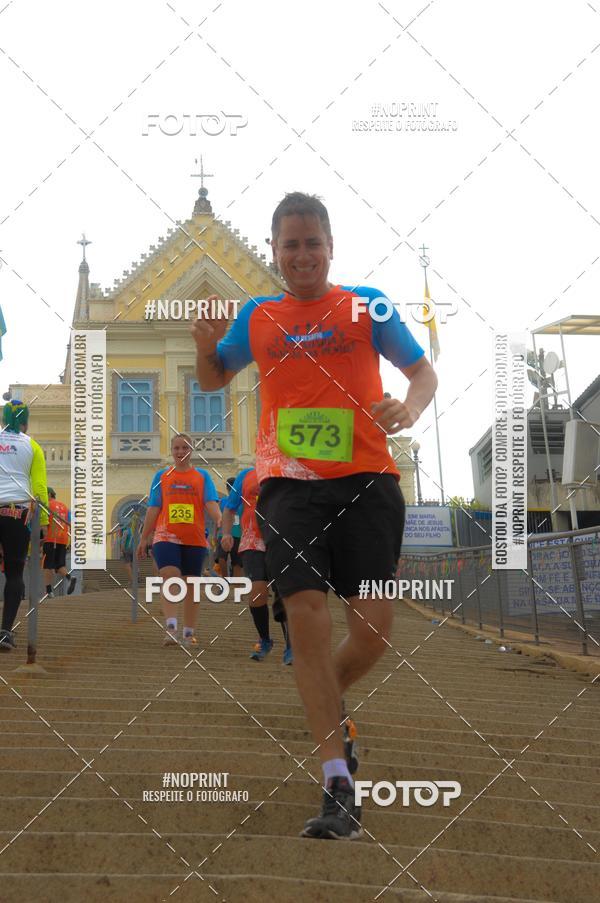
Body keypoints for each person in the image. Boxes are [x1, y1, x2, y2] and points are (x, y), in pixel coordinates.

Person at [192, 192, 437, 840]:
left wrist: (410, 407)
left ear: (331, 246)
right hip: (289, 486)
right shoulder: (258, 314)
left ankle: (329, 704)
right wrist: (206, 348)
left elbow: (422, 373)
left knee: (374, 629)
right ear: (274, 251)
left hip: (369, 480)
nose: (301, 255)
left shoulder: (367, 305)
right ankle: (337, 780)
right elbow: (214, 378)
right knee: (305, 615)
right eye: (290, 245)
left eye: (312, 243)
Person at [136, 433, 221, 648]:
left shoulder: (202, 476)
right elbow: (154, 507)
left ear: (191, 450)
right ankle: (171, 628)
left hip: (195, 537)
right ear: (171, 451)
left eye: (185, 448)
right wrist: (144, 537)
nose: (181, 452)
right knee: (170, 574)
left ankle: (189, 632)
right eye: (176, 448)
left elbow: (210, 502)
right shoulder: (162, 476)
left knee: (191, 584)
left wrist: (220, 520)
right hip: (166, 535)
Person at [221, 466, 292, 665]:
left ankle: (292, 646)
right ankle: (264, 639)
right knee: (257, 592)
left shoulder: (289, 470)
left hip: (283, 541)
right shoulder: (246, 475)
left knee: (285, 593)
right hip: (253, 540)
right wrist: (226, 533)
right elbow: (230, 508)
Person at [0, 400, 49, 651]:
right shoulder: (32, 445)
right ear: (25, 421)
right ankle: (5, 632)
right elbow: (39, 486)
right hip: (16, 511)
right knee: (14, 571)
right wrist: (44, 521)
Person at [43, 488, 76, 596]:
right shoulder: (64, 507)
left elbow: (43, 522)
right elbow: (70, 522)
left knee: (47, 565)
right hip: (63, 539)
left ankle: (49, 591)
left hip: (51, 538)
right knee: (59, 565)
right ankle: (70, 577)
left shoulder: (46, 505)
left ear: (49, 494)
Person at [215, 477, 244, 582]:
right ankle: (231, 581)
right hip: (232, 534)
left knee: (225, 559)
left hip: (229, 534)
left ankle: (228, 581)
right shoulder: (241, 502)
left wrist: (215, 534)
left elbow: (218, 519)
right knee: (234, 560)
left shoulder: (225, 502)